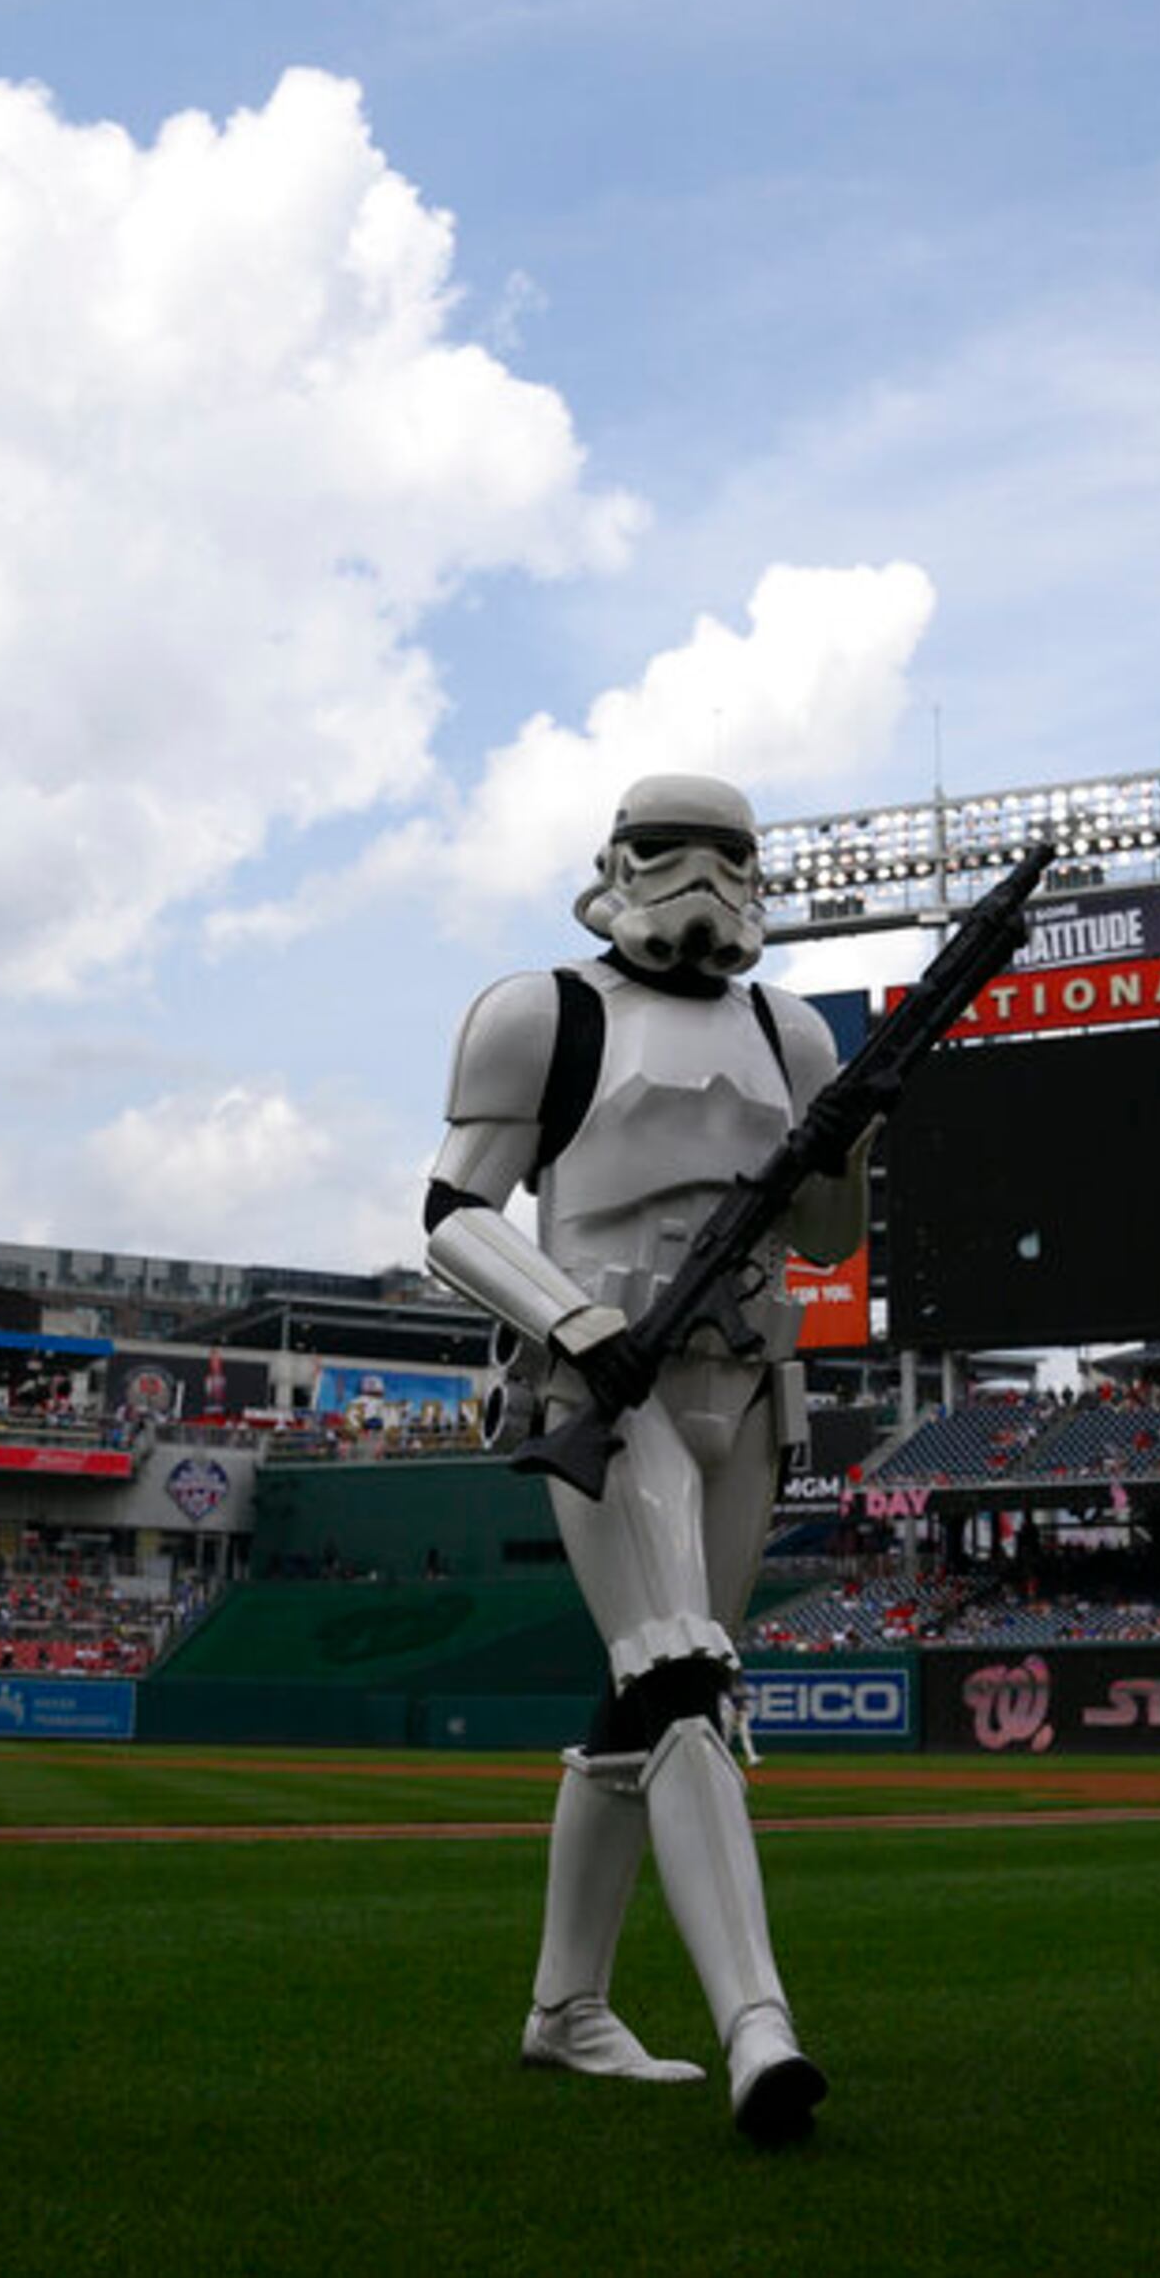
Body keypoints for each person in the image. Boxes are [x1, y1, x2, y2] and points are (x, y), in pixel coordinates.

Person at [420, 775, 871, 2145]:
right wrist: (572, 1317)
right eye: (675, 852)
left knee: (653, 1694)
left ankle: (569, 2007)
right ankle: (758, 2026)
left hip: (746, 1378)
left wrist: (851, 1141)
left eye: (732, 854)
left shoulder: (788, 1028)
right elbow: (452, 1214)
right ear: (615, 860)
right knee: (682, 1672)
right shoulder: (541, 1012)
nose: (706, 877)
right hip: (603, 1382)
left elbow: (834, 1240)